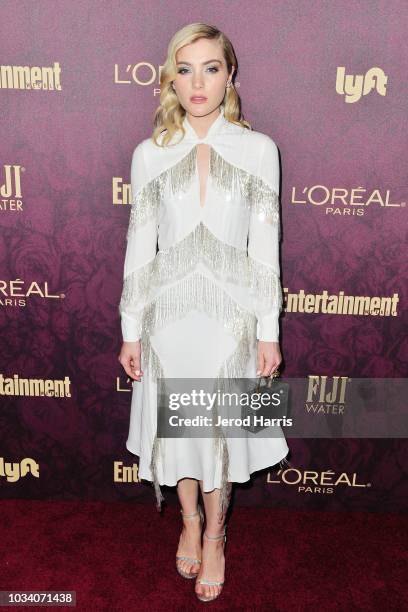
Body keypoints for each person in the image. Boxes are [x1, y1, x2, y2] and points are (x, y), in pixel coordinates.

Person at [118, 22, 289, 603]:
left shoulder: (259, 150)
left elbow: (266, 248)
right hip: (168, 321)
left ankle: (217, 534)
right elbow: (140, 248)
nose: (198, 82)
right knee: (181, 432)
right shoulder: (149, 154)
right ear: (170, 77)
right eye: (185, 68)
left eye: (211, 67)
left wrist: (268, 330)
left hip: (232, 322)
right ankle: (188, 521)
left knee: (220, 433)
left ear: (230, 75)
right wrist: (131, 330)